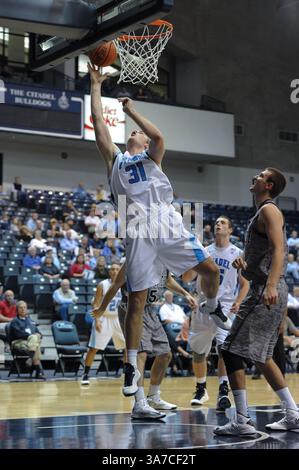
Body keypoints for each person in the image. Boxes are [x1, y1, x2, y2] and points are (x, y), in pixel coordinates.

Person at [88, 63, 224, 397]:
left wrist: (132, 110)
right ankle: (130, 368)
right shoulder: (116, 161)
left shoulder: (153, 157)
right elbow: (100, 128)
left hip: (165, 222)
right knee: (135, 301)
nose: (134, 134)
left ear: (144, 140)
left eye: (138, 133)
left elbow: (160, 136)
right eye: (134, 132)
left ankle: (211, 306)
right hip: (136, 230)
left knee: (209, 270)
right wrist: (95, 85)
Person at [213, 168, 299, 436]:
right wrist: (246, 266)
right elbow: (265, 256)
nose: (255, 177)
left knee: (229, 349)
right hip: (266, 286)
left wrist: (271, 284)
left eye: (261, 175)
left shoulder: (269, 210)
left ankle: (241, 420)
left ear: (269, 184)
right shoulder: (263, 211)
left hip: (266, 290)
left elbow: (279, 249)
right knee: (262, 356)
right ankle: (293, 414)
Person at [91, 263, 197, 419]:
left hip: (150, 310)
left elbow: (167, 281)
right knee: (141, 353)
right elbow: (115, 286)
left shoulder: (163, 260)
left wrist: (185, 293)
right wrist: (101, 309)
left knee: (165, 354)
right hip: (132, 310)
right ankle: (139, 404)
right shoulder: (134, 259)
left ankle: (153, 397)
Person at [183, 216, 249, 411]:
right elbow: (187, 278)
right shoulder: (204, 251)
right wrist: (189, 258)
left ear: (230, 230)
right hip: (203, 305)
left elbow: (245, 284)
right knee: (198, 351)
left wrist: (238, 301)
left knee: (224, 349)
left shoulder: (238, 253)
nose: (218, 225)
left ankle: (223, 389)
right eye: (217, 223)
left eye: (223, 223)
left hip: (226, 306)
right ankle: (201, 389)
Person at [81, 263, 124, 385]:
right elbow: (95, 304)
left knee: (128, 348)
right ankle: (85, 374)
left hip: (118, 319)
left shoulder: (125, 284)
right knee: (93, 348)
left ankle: (127, 374)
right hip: (104, 318)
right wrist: (97, 320)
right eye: (112, 269)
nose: (115, 271)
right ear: (109, 272)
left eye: (117, 269)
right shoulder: (102, 285)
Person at [9, 301, 45, 380]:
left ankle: (31, 359)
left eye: (24, 307)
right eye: (21, 308)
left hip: (30, 343)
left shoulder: (30, 320)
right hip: (18, 342)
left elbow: (38, 332)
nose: (23, 309)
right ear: (17, 310)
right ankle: (39, 372)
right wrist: (32, 336)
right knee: (35, 343)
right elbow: (19, 335)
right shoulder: (14, 321)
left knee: (35, 341)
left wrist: (39, 335)